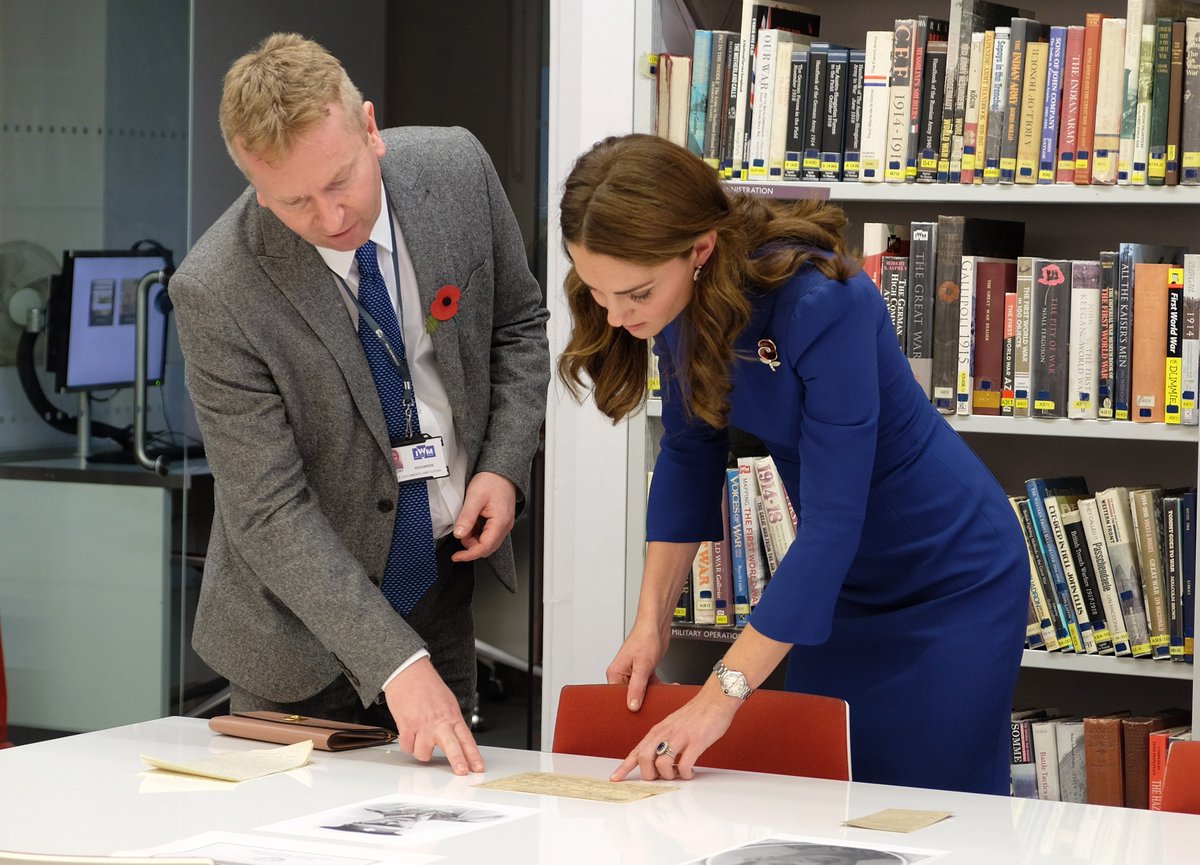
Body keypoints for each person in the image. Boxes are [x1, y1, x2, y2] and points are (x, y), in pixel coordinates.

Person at [557, 133, 1028, 795]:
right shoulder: (673, 301)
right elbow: (691, 453)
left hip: (950, 577)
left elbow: (834, 521)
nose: (615, 314)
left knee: (931, 819)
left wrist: (720, 694)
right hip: (839, 589)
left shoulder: (822, 301)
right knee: (817, 802)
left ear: (699, 250)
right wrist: (650, 620)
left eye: (633, 293)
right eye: (597, 291)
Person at [169, 33, 549, 776]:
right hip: (294, 643)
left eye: (340, 179)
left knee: (445, 828)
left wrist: (503, 465)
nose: (330, 214)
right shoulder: (217, 289)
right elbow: (268, 510)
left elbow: (518, 325)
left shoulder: (457, 171)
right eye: (292, 201)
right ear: (250, 177)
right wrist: (396, 665)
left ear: (370, 129)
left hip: (438, 588)